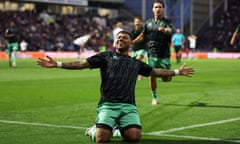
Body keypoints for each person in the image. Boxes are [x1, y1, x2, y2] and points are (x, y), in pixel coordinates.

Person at [37, 30, 194, 143]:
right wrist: (57, 64)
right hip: (108, 105)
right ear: (114, 42)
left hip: (128, 107)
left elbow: (155, 71)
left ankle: (118, 129)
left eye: (124, 38)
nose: (120, 39)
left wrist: (177, 72)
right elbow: (81, 64)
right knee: (101, 139)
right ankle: (94, 129)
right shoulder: (105, 57)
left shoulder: (136, 63)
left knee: (134, 137)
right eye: (118, 38)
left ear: (131, 43)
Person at [132, 0, 173, 105]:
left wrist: (164, 30)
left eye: (160, 7)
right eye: (156, 7)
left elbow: (170, 31)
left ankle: (168, 74)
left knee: (166, 78)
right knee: (152, 75)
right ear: (152, 9)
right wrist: (132, 42)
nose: (158, 9)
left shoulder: (167, 22)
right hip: (151, 54)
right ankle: (154, 97)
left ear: (163, 9)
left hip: (164, 54)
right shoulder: (148, 23)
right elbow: (142, 36)